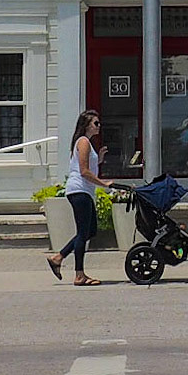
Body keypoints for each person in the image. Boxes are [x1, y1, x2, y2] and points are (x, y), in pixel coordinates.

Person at [45, 109, 111, 286]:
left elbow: (86, 166)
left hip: (84, 191)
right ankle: (79, 275)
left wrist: (100, 159)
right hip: (79, 191)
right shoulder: (83, 142)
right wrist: (104, 184)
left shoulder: (86, 143)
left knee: (90, 231)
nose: (99, 126)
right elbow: (84, 171)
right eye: (96, 123)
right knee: (83, 232)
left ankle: (58, 257)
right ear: (86, 125)